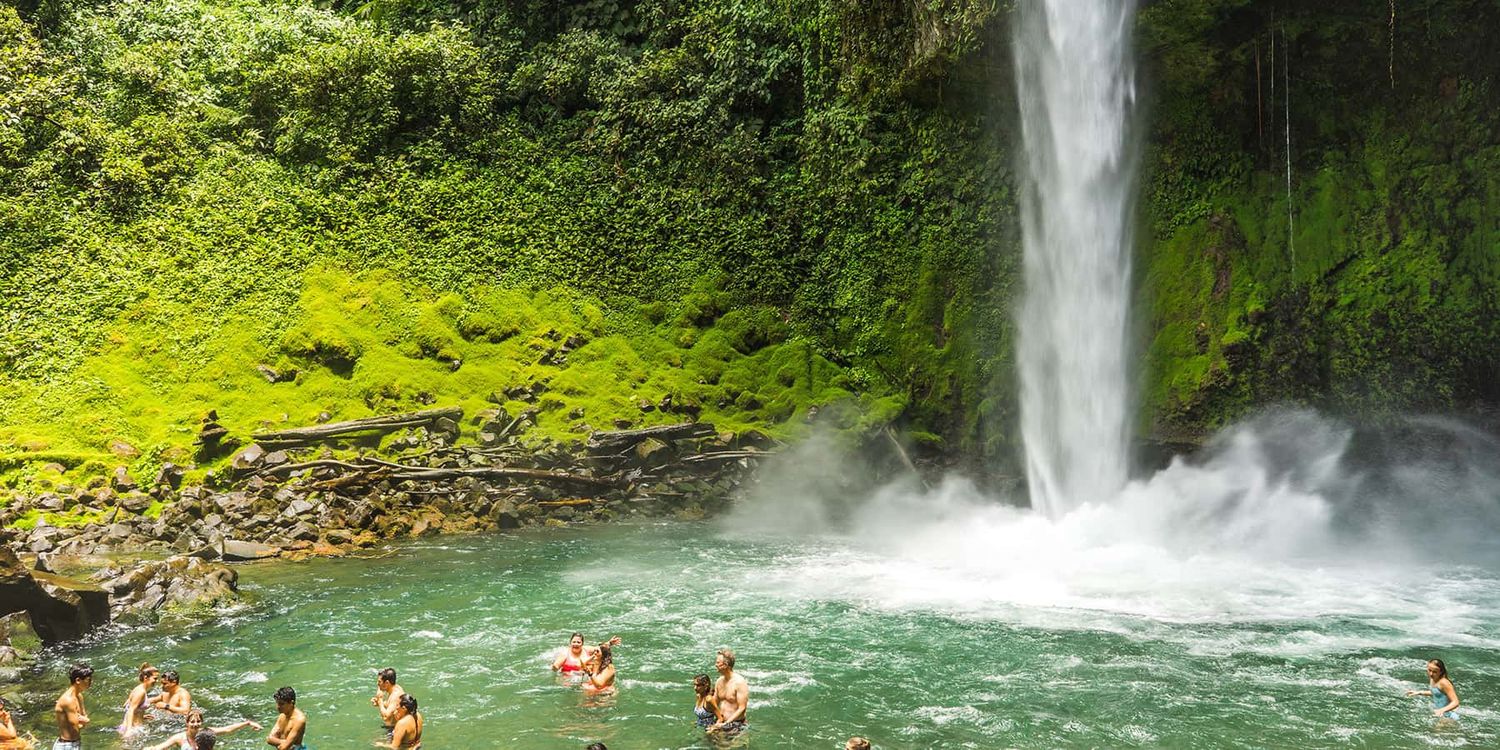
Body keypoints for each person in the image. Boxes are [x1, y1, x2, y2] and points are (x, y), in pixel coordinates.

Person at [147, 708, 259, 750]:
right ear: (187, 723)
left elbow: (227, 729)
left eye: (198, 721)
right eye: (192, 722)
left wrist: (248, 723)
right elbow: (160, 746)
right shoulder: (179, 738)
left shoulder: (206, 733)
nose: (196, 724)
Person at [708, 649, 748, 735]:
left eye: (718, 662)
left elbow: (742, 708)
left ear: (725, 665)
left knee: (725, 747)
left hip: (736, 724)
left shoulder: (740, 682)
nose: (715, 665)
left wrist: (725, 724)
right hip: (720, 721)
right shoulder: (719, 681)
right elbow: (714, 704)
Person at [53, 664, 92, 750]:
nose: (90, 682)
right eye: (88, 680)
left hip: (76, 743)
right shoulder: (68, 700)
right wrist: (84, 720)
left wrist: (82, 720)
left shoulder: (79, 696)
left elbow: (83, 721)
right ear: (78, 680)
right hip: (65, 746)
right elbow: (75, 727)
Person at [121, 663, 159, 735]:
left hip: (131, 727)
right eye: (155, 678)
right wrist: (129, 731)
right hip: (132, 729)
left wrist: (141, 715)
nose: (157, 681)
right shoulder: (140, 692)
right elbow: (130, 710)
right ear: (146, 678)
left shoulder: (139, 689)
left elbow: (125, 705)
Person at [553, 634, 620, 674]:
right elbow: (555, 667)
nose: (576, 644)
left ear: (582, 644)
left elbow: (600, 649)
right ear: (570, 643)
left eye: (578, 642)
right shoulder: (565, 653)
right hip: (567, 678)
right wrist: (555, 667)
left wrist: (610, 643)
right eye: (574, 642)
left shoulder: (587, 650)